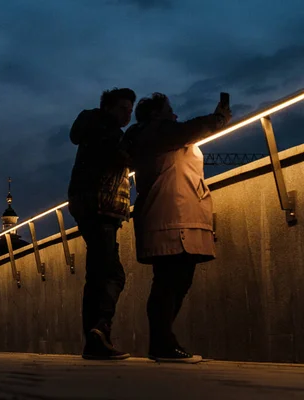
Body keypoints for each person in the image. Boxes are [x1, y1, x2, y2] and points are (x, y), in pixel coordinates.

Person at [123, 93, 231, 363]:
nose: (174, 115)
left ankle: (163, 342)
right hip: (173, 216)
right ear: (155, 115)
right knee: (170, 282)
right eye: (169, 111)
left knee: (171, 281)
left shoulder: (148, 137)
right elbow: (189, 129)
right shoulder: (158, 133)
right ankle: (162, 344)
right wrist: (218, 118)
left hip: (168, 216)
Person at [67, 88, 136, 360]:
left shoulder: (92, 129)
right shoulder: (108, 133)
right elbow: (125, 158)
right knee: (112, 274)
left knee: (96, 274)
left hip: (87, 206)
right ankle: (99, 330)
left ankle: (94, 340)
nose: (127, 114)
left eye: (130, 109)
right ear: (108, 108)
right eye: (122, 108)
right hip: (101, 208)